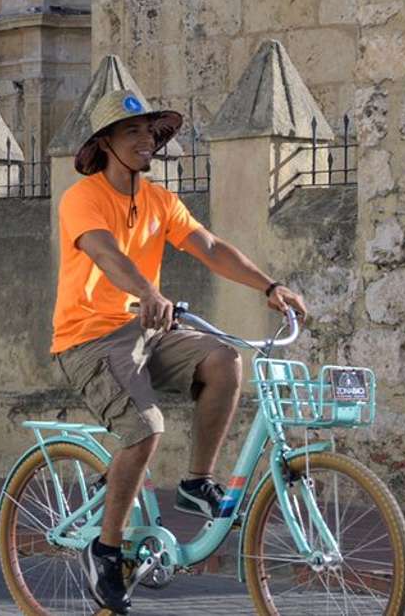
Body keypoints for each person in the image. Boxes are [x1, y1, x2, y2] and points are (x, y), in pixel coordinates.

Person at [53, 90, 310, 614]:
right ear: (105, 143)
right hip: (90, 337)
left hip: (148, 332)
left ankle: (197, 482)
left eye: (151, 131)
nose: (147, 140)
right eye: (133, 132)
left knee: (224, 361)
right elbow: (104, 253)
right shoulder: (83, 198)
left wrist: (269, 286)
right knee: (145, 428)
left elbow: (210, 248)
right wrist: (148, 292)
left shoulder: (159, 201)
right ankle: (106, 549)